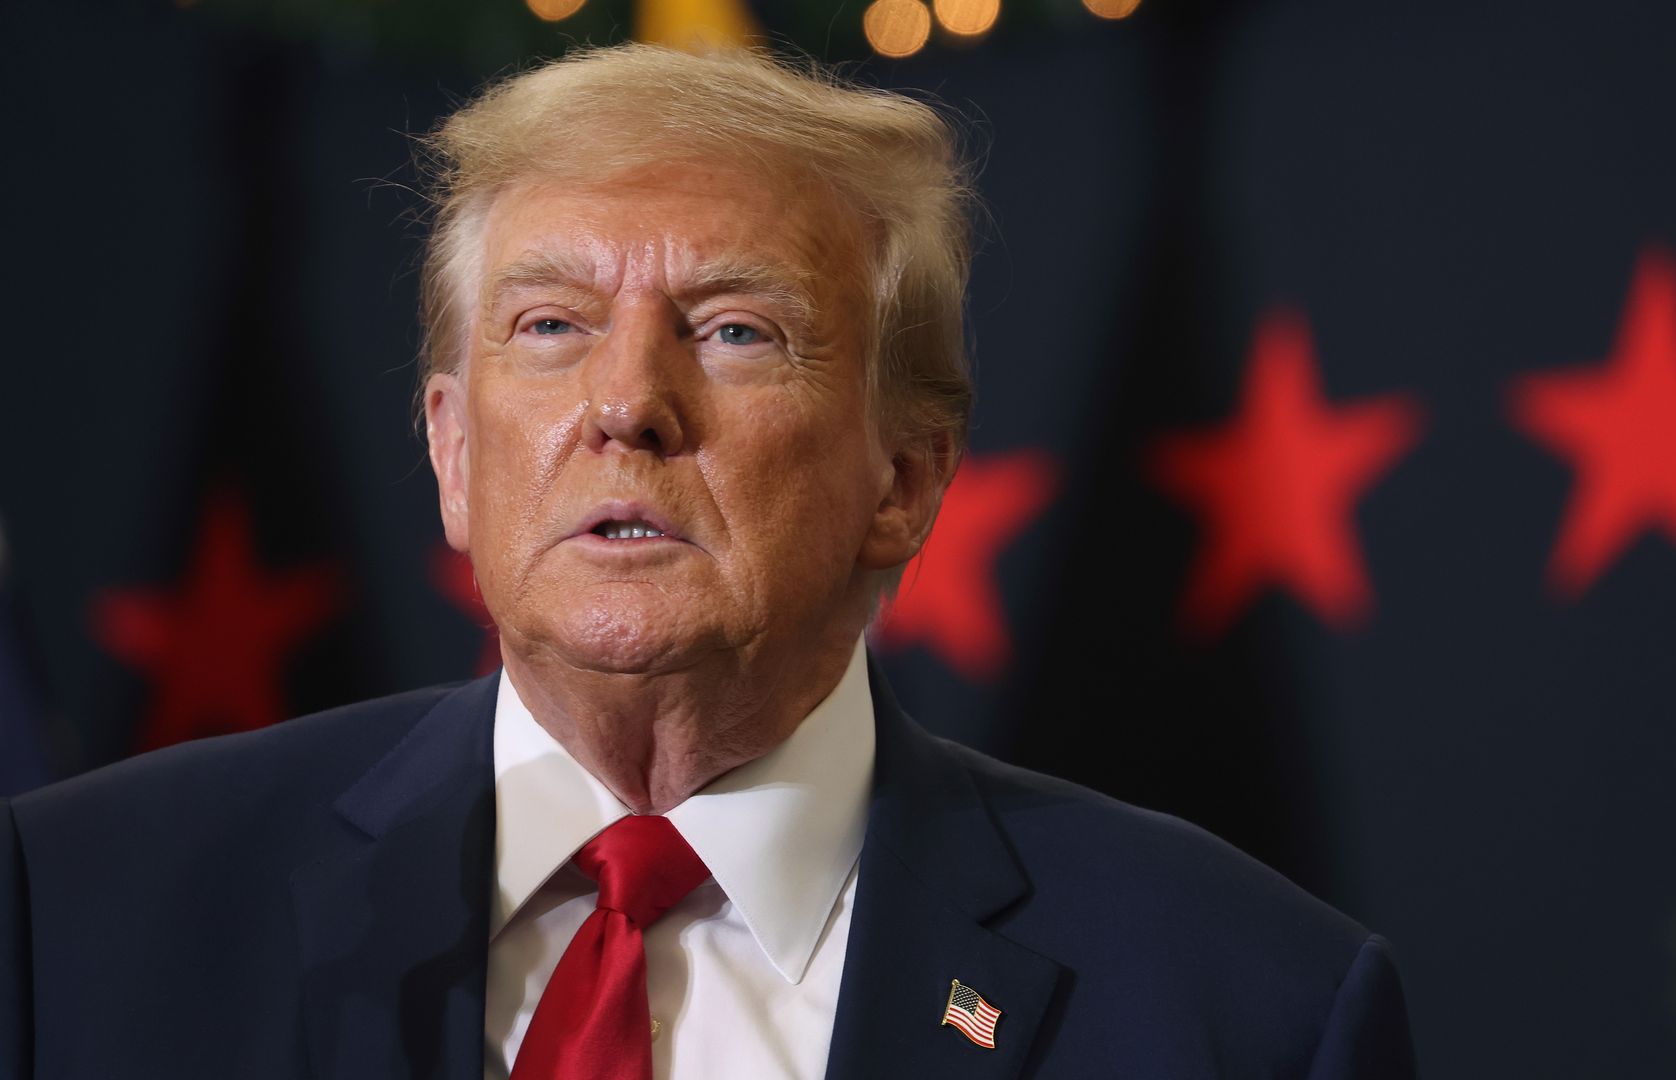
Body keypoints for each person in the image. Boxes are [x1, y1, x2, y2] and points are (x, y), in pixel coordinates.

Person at [0, 44, 1415, 1079]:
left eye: (735, 330)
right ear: (450, 453)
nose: (627, 403)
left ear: (905, 479)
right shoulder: (76, 919)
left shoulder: (1249, 1008)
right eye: (549, 325)